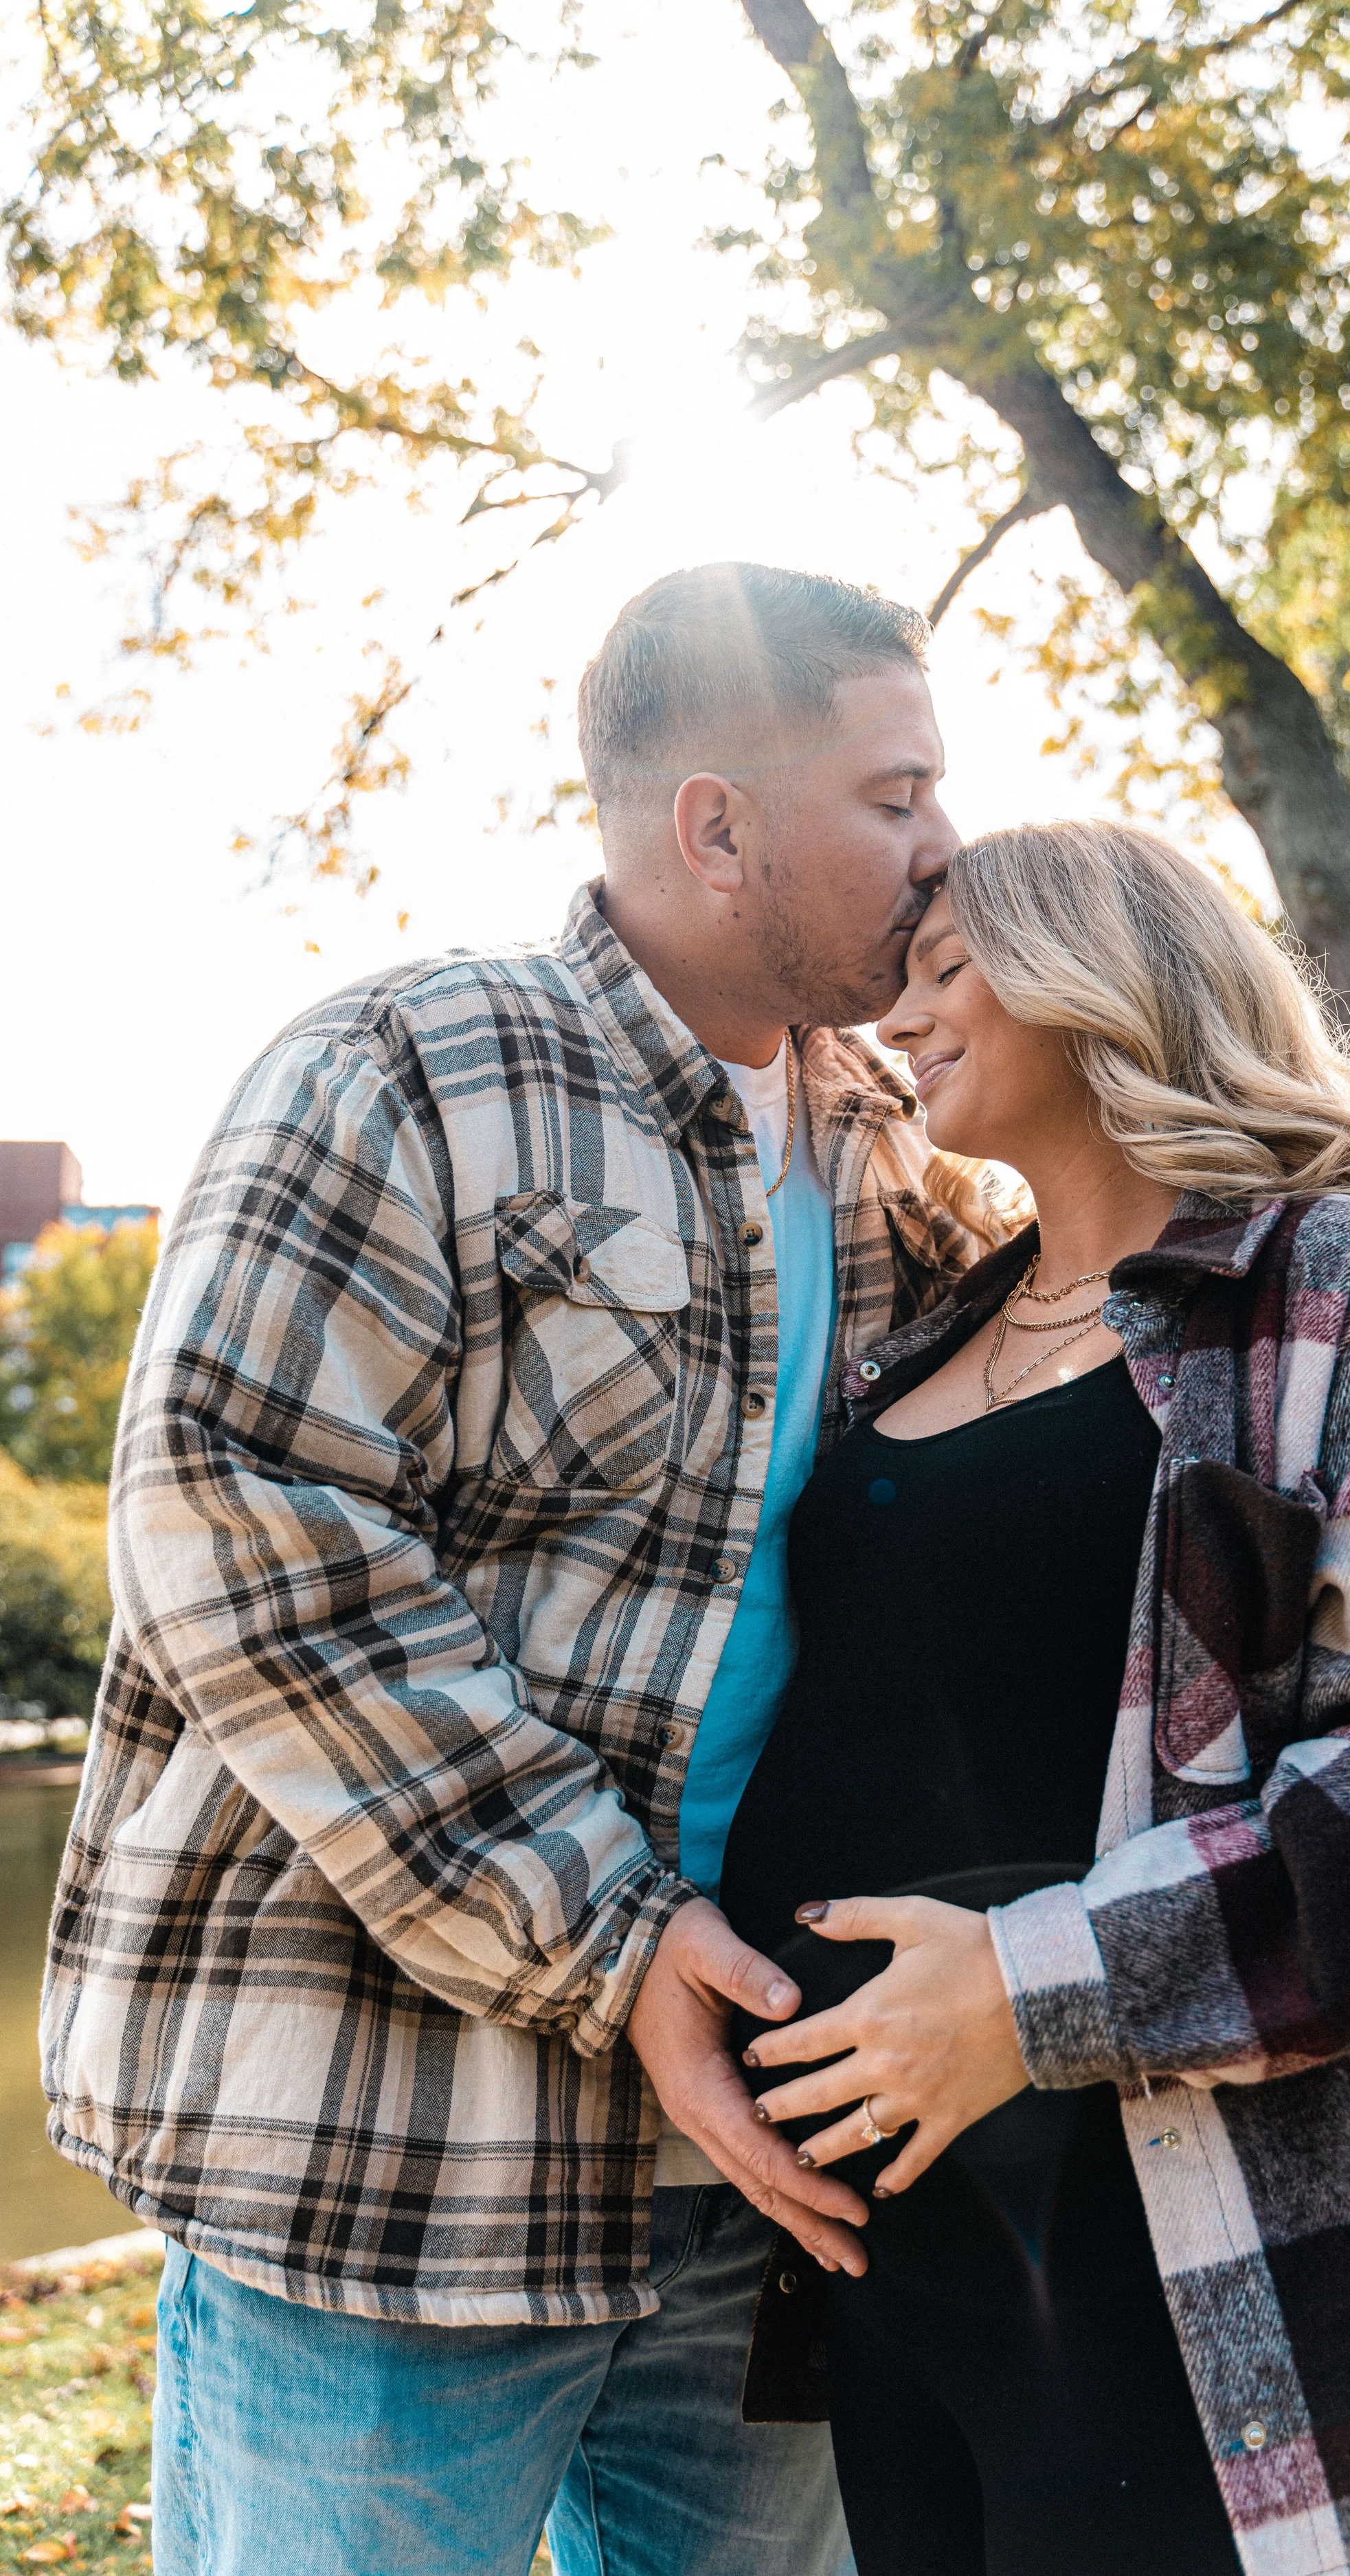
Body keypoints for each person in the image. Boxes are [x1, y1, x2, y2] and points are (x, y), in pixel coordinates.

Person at [39, 564, 997, 2576]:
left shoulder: (898, 1143)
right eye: (895, 792)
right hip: (399, 2159)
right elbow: (236, 1513)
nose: (944, 847)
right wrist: (613, 1935)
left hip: (762, 2154)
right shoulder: (404, 1064)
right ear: (714, 822)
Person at [724, 820, 1350, 2576]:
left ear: (1092, 976)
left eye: (946, 965)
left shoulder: (1339, 1301)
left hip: (1181, 2261)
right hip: (899, 2254)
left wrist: (1022, 1992)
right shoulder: (940, 1321)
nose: (902, 1014)